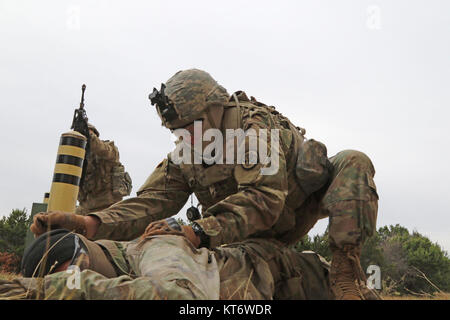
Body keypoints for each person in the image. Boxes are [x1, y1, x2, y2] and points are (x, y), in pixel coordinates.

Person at [30, 69, 379, 299]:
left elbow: (264, 200)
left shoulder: (254, 132)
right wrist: (90, 223)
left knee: (354, 160)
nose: (184, 138)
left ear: (214, 111)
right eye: (176, 132)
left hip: (295, 207)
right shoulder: (188, 150)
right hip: (247, 241)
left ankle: (346, 270)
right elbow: (151, 202)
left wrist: (196, 231)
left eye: (190, 127)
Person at [0, 229, 333, 300]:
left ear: (83, 261)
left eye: (68, 279)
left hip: (315, 285)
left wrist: (55, 288)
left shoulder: (153, 249)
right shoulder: (124, 279)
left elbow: (183, 300)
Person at [75, 124, 132, 215]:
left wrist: (90, 136)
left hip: (108, 206)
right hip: (86, 207)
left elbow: (103, 149)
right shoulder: (79, 156)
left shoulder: (109, 149)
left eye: (89, 134)